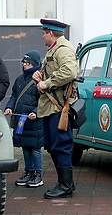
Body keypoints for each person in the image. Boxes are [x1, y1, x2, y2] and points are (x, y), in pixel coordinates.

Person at [32, 19, 78, 199]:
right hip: (51, 106)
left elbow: (70, 72)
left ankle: (65, 185)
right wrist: (40, 75)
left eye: (44, 33)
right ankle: (65, 183)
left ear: (50, 33)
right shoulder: (54, 49)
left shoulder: (63, 49)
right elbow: (56, 70)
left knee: (61, 146)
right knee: (53, 145)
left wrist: (47, 83)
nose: (42, 36)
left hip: (58, 107)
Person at [4, 50, 44, 188]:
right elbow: (14, 96)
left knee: (35, 148)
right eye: (24, 62)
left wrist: (36, 112)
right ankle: (28, 171)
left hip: (34, 122)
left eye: (28, 63)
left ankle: (38, 174)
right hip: (21, 120)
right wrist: (9, 107)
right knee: (25, 148)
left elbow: (44, 101)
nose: (25, 65)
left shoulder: (40, 79)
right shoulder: (20, 79)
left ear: (35, 64)